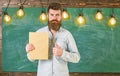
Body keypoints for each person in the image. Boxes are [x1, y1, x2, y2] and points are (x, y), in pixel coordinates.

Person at [26, 2, 80, 76]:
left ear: (61, 16)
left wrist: (62, 53)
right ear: (48, 16)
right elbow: (31, 58)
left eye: (57, 15)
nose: (54, 18)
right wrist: (29, 51)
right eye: (52, 15)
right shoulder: (39, 33)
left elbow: (76, 58)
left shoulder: (67, 35)